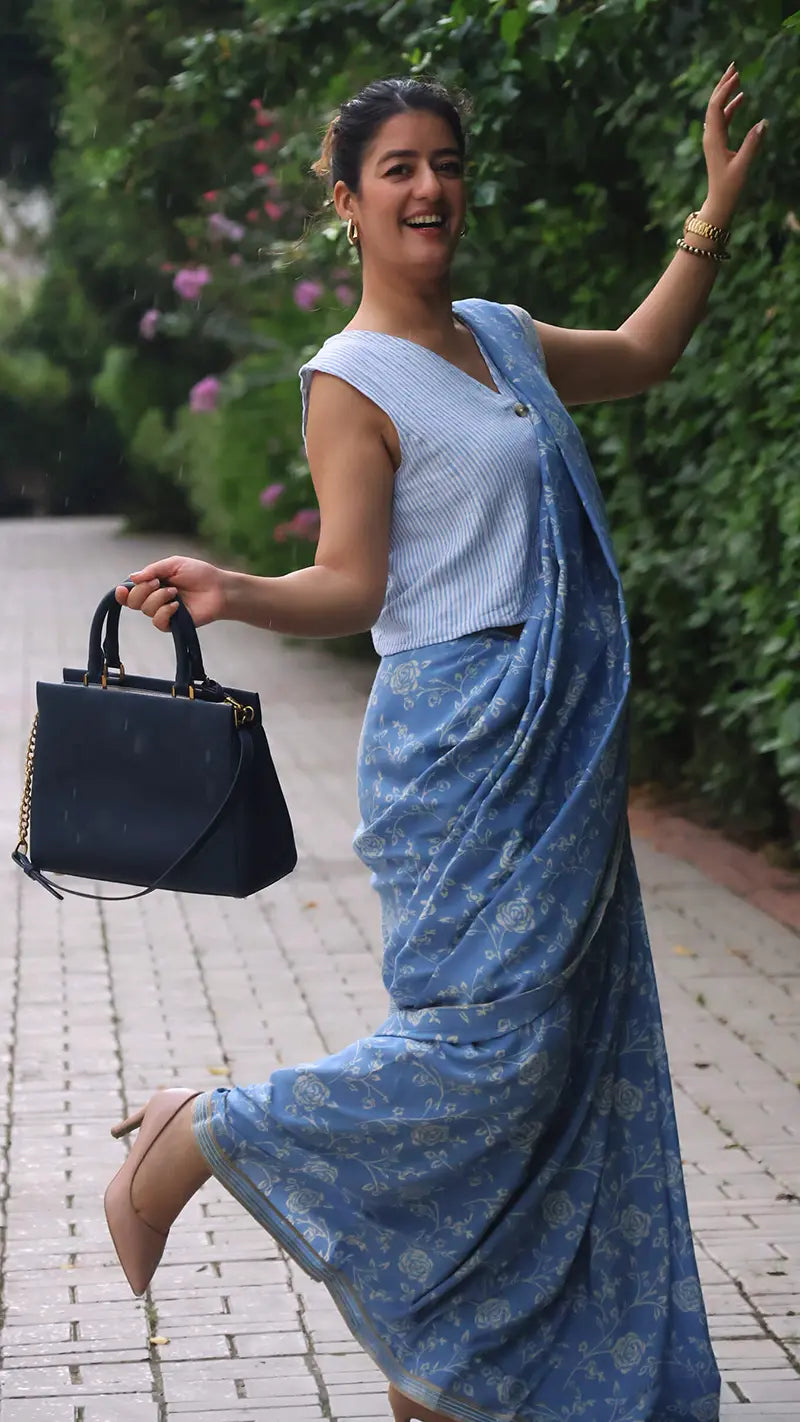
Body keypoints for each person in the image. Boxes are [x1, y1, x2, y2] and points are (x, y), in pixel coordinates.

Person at [104, 70, 765, 1422]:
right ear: (345, 203)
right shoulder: (353, 379)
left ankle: (451, 1374)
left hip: (562, 749)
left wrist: (712, 211)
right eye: (396, 167)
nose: (429, 187)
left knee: (568, 1068)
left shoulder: (498, 336)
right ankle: (205, 1129)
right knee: (491, 1055)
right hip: (461, 746)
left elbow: (641, 357)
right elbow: (354, 584)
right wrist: (239, 590)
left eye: (445, 162)